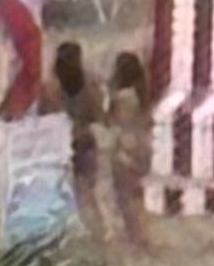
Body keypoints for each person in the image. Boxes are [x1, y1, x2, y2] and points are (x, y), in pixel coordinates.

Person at [51, 38, 110, 248]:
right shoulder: (89, 83)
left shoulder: (53, 86)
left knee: (79, 195)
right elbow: (101, 116)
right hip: (77, 145)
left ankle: (96, 237)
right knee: (82, 194)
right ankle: (95, 236)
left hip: (70, 146)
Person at [100, 50, 153, 246]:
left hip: (122, 147)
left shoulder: (119, 98)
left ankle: (128, 234)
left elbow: (107, 118)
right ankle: (139, 233)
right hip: (140, 146)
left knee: (120, 194)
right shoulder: (141, 96)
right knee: (134, 193)